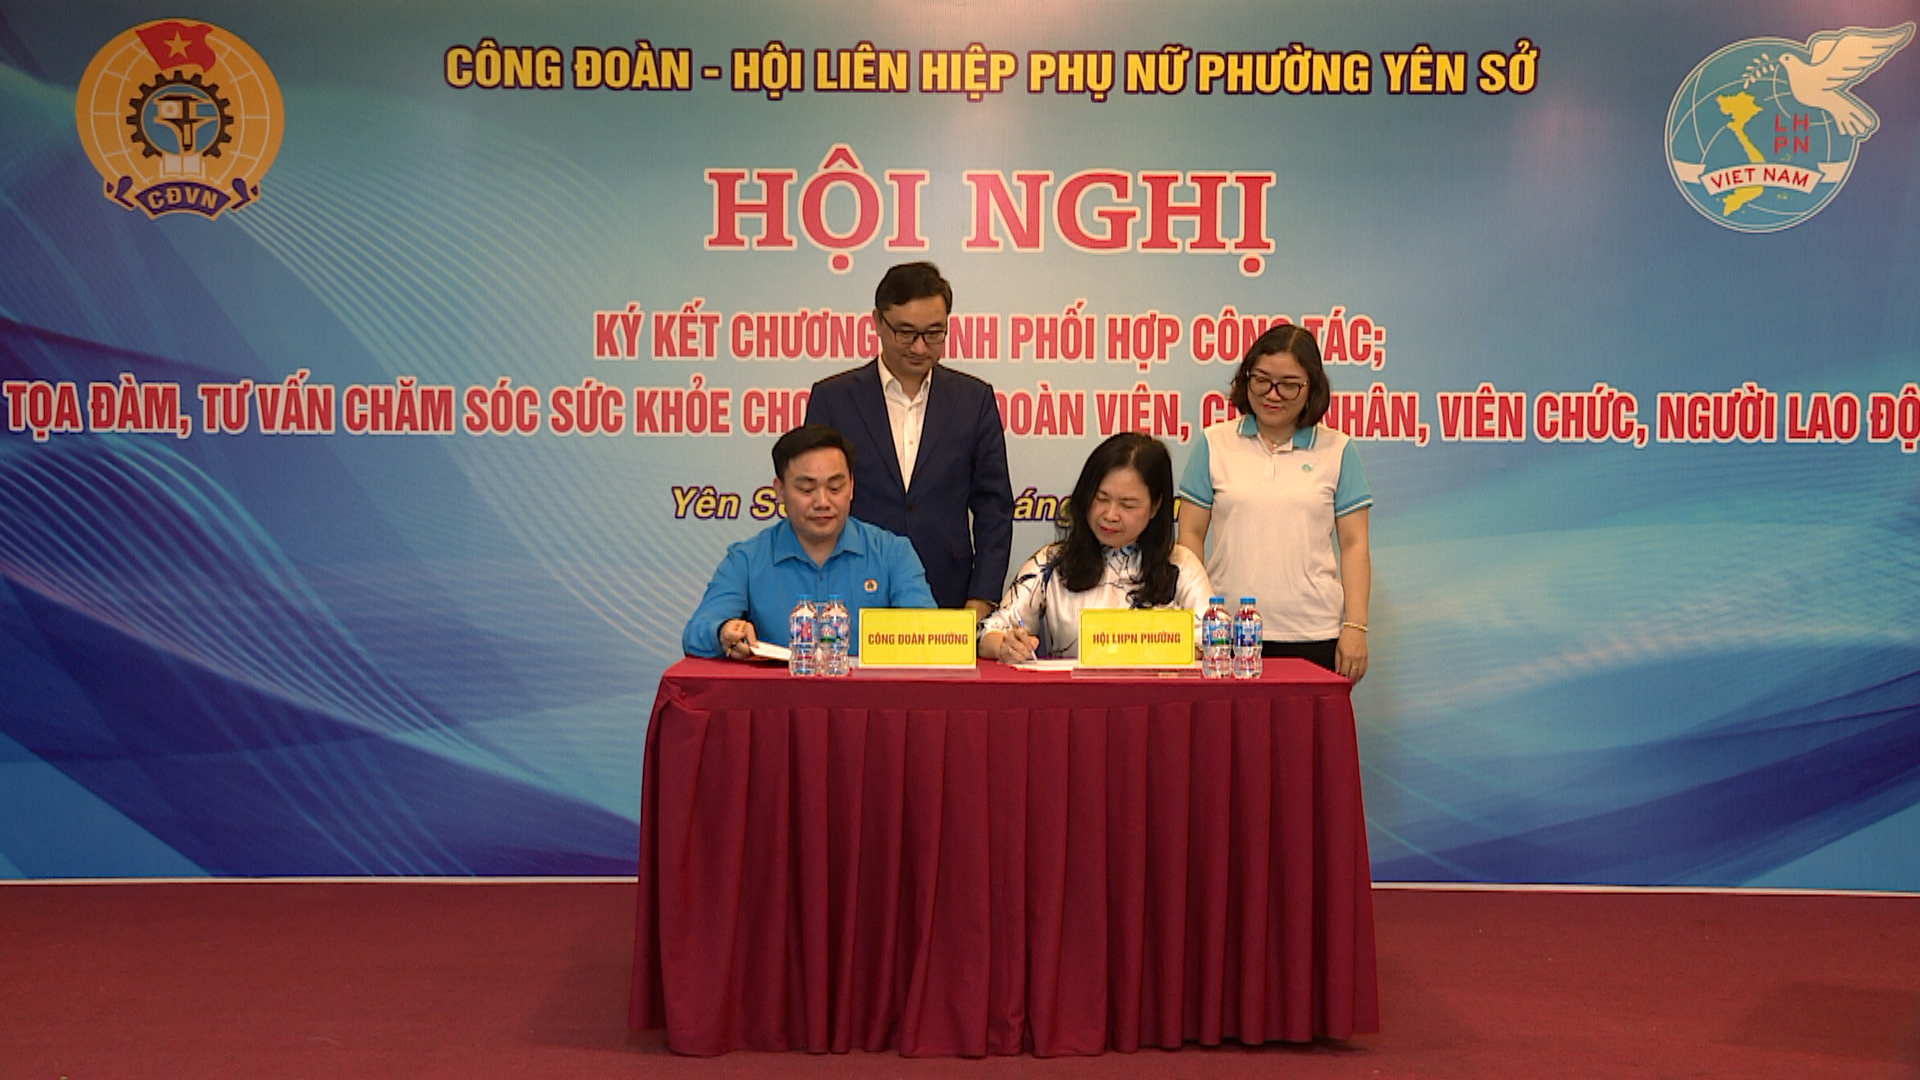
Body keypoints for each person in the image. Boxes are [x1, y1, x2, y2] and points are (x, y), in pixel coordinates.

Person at [805, 261, 1013, 618]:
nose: (919, 347)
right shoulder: (833, 399)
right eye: (905, 333)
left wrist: (982, 598)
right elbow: (814, 499)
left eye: (934, 333)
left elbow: (994, 508)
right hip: (852, 588)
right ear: (877, 322)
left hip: (948, 590)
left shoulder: (973, 400)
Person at [1176, 323, 1373, 680]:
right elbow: (1189, 536)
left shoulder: (1339, 449)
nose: (1273, 394)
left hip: (1314, 631)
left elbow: (1355, 544)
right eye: (1261, 380)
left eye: (1289, 384)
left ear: (1312, 387)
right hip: (1225, 632)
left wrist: (1356, 626)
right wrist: (1193, 618)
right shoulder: (1213, 444)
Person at [682, 424, 936, 660]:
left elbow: (931, 636)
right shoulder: (747, 560)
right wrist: (724, 631)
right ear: (780, 491)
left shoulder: (893, 553)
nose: (822, 502)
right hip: (779, 693)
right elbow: (696, 633)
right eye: (806, 490)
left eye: (835, 488)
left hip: (870, 693)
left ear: (851, 487)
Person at [979, 432, 1213, 662]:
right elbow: (987, 633)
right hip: (1071, 688)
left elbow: (1217, 638)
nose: (1110, 515)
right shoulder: (1051, 562)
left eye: (1127, 505)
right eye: (1101, 499)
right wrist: (1005, 645)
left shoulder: (1181, 565)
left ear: (1155, 506)